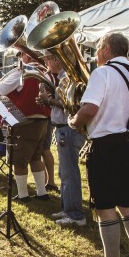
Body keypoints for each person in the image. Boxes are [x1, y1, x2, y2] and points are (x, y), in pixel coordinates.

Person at [69, 33, 129, 257]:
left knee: (104, 206)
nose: (95, 54)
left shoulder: (102, 73)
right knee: (127, 202)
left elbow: (91, 108)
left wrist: (75, 120)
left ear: (105, 49)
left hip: (108, 145)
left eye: (97, 48)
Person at [0, 51, 51, 202]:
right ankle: (42, 193)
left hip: (25, 121)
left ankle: (23, 195)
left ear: (27, 56)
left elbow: (0, 90)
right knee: (35, 157)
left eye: (20, 55)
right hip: (42, 120)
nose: (18, 59)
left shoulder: (23, 72)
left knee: (18, 159)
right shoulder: (44, 72)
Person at [40, 56, 87, 227]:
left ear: (58, 60)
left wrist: (49, 101)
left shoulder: (68, 78)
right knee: (64, 173)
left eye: (49, 59)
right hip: (63, 129)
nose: (47, 63)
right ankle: (67, 209)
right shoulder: (62, 79)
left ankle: (75, 214)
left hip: (68, 130)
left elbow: (72, 106)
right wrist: (50, 101)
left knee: (69, 173)